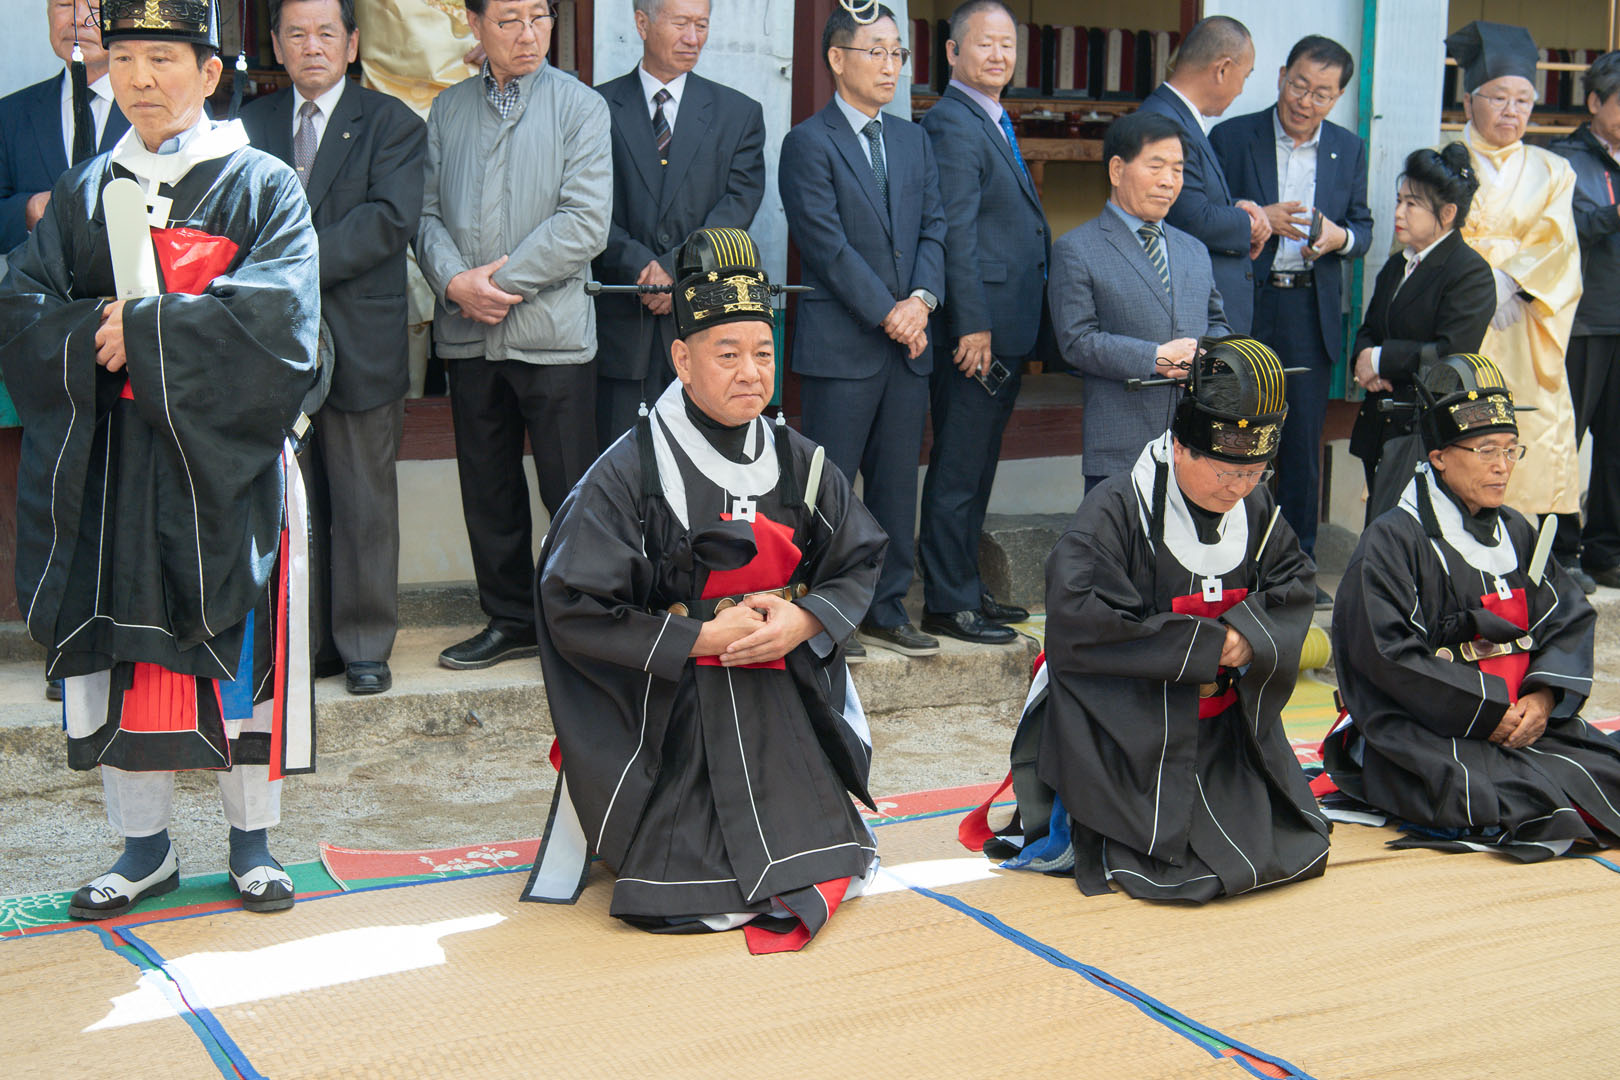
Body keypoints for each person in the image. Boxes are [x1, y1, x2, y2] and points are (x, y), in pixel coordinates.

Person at [0, 0, 320, 917]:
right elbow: (24, 306)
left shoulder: (262, 185)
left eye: (164, 59)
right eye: (126, 57)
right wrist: (94, 333)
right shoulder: (85, 188)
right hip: (113, 465)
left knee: (240, 654)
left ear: (210, 72)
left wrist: (142, 332)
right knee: (120, 655)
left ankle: (252, 844)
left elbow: (283, 323)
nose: (140, 78)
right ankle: (142, 848)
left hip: (225, 468)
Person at [523, 228, 888, 953]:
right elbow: (572, 602)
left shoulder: (799, 460)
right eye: (727, 355)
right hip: (674, 692)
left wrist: (802, 621)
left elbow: (859, 558)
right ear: (682, 361)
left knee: (827, 854)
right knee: (682, 877)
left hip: (779, 674)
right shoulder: (631, 468)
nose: (751, 373)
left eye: (763, 353)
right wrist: (698, 638)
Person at [971, 338, 1329, 902]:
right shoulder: (1116, 510)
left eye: (1255, 472)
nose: (1239, 488)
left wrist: (1251, 636)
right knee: (1169, 865)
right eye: (1226, 471)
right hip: (1134, 732)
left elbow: (1295, 582)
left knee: (1291, 848)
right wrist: (1202, 647)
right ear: (1181, 447)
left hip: (1223, 728)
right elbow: (1080, 622)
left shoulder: (1256, 508)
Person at [1326, 352, 1620, 861]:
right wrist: (1486, 711)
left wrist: (1543, 699)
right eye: (1486, 450)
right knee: (1511, 797)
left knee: (1605, 774)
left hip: (1519, 715)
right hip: (1423, 724)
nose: (1502, 466)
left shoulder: (1518, 530)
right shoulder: (1392, 540)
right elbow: (1388, 655)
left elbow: (1565, 619)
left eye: (1510, 449)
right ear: (1439, 456)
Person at [417, 0, 611, 670]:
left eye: (539, 17)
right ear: (475, 25)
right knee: (488, 489)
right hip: (469, 337)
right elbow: (425, 215)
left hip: (553, 337)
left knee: (571, 492)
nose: (528, 35)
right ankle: (509, 620)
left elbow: (585, 222)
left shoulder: (580, 107)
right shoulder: (448, 110)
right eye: (508, 20)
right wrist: (453, 281)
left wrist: (495, 285)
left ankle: (584, 624)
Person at [241, 0, 426, 696]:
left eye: (326, 33)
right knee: (293, 499)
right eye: (296, 34)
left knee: (363, 499)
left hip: (361, 341)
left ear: (352, 44)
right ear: (277, 45)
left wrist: (287, 261)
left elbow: (388, 221)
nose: (311, 46)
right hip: (271, 341)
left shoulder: (392, 123)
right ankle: (306, 643)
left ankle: (365, 645)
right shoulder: (249, 125)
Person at [780, 3, 946, 658]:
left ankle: (886, 606)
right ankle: (826, 612)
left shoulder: (913, 140)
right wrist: (890, 313)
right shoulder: (808, 142)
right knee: (829, 487)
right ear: (837, 58)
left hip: (908, 346)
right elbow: (826, 246)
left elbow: (934, 228)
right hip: (843, 347)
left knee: (897, 484)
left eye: (897, 53)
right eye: (875, 51)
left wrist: (922, 302)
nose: (890, 66)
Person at [1211, 34, 1372, 590]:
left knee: (1301, 444)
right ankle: (1228, 558)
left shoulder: (1348, 148)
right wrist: (1257, 217)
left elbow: (1363, 228)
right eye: (1300, 85)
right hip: (1248, 302)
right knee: (1235, 431)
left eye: (1322, 94)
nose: (1306, 101)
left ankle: (1296, 567)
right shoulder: (1233, 137)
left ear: (1339, 97)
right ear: (1281, 76)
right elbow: (1206, 214)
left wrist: (1337, 238)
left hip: (1308, 307)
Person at [915, 0, 1047, 646]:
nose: (998, 55)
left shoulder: (990, 117)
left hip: (1003, 326)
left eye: (1007, 44)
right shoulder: (952, 123)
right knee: (960, 467)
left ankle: (966, 585)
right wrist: (971, 323)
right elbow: (956, 232)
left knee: (980, 465)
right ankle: (947, 600)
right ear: (952, 52)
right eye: (985, 43)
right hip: (976, 334)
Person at [1444, 20, 1587, 589]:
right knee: (1461, 416)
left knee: (1531, 421)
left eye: (1523, 100)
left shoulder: (1555, 169)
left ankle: (1531, 559)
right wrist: (1482, 286)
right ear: (1470, 100)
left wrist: (1510, 282)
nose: (1512, 110)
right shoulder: (1446, 157)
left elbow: (1560, 244)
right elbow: (1432, 232)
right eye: (1499, 97)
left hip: (1525, 318)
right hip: (1463, 313)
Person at [592, 0, 766, 452]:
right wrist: (639, 266)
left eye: (701, 25)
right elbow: (585, 206)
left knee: (704, 466)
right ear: (642, 23)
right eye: (681, 23)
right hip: (621, 321)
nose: (693, 38)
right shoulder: (594, 107)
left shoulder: (739, 113)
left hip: (703, 323)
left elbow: (739, 204)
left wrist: (675, 267)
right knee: (623, 464)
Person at [1048, 111, 1229, 490]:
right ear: (1117, 170)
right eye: (1156, 166)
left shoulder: (1194, 249)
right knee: (1121, 531)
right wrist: (1155, 358)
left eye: (1178, 169)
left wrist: (1207, 356)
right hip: (1121, 443)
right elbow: (1076, 341)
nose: (1168, 181)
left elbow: (1217, 323)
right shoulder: (1077, 249)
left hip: (1196, 442)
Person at [1348, 147, 1495, 521]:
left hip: (1422, 427)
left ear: (1447, 214)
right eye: (1399, 201)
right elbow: (1370, 328)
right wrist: (1365, 361)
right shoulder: (1398, 265)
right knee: (1379, 525)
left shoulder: (1469, 272)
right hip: (1381, 420)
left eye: (1411, 204)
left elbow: (1451, 351)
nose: (1398, 212)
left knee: (1407, 529)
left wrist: (1380, 359)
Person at [1136, 15, 1268, 334]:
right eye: (1245, 76)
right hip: (1190, 317)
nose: (1241, 89)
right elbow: (1191, 218)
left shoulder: (1178, 116)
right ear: (1222, 70)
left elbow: (1194, 197)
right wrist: (1252, 223)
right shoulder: (1166, 123)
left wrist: (1240, 207)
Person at [1550, 51, 1620, 589]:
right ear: (1594, 102)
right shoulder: (1564, 161)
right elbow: (1572, 229)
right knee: (1565, 441)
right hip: (1584, 322)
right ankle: (1561, 551)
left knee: (1617, 444)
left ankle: (1606, 549)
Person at [0, 0, 130, 252]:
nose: (78, 19)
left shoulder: (160, 111)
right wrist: (32, 210)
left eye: (96, 7)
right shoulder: (10, 114)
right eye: (64, 4)